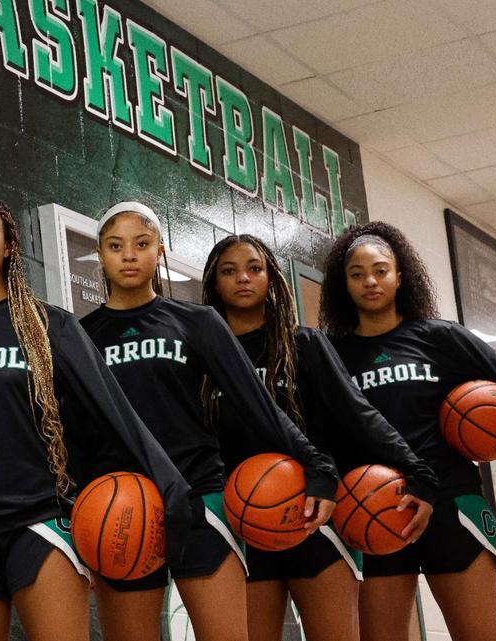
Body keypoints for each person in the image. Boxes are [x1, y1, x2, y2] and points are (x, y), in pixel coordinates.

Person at [0, 193, 192, 641]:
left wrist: (172, 492)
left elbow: (117, 416)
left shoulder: (52, 327)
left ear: (10, 243)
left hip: (42, 523)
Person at [80, 202, 339, 641]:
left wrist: (318, 466)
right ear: (101, 254)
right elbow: (73, 433)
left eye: (141, 244)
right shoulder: (80, 335)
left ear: (159, 251)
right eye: (115, 246)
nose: (128, 255)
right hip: (120, 504)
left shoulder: (196, 322)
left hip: (200, 497)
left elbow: (257, 403)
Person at [319, 221, 496, 641]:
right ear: (343, 285)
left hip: (451, 502)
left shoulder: (440, 338)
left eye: (381, 270)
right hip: (373, 505)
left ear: (400, 276)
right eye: (357, 274)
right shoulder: (332, 355)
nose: (370, 281)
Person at [203, 233, 438, 641]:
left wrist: (417, 470)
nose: (243, 278)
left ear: (271, 278)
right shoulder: (205, 359)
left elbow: (358, 413)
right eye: (230, 271)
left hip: (314, 514)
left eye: (254, 268)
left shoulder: (304, 345)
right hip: (244, 521)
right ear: (214, 284)